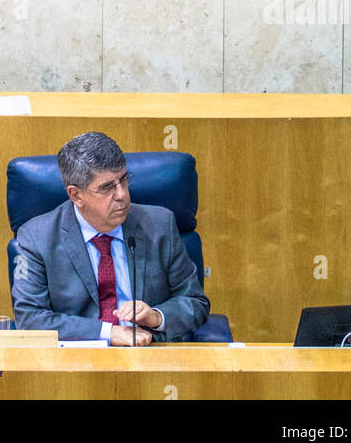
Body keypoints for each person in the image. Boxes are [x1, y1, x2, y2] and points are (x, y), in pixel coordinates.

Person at [11, 131, 210, 344]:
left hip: (148, 354)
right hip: (75, 363)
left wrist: (155, 316)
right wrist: (108, 332)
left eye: (123, 180)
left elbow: (194, 302)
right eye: (107, 187)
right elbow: (30, 318)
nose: (122, 194)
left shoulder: (160, 225)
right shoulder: (36, 238)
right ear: (76, 195)